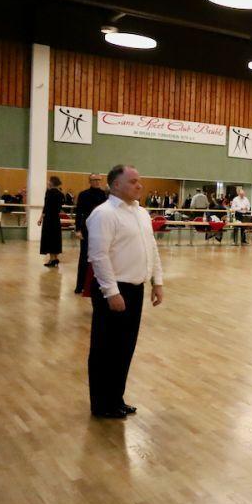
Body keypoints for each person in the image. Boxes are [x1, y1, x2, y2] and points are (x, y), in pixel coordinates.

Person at [86, 164, 164, 419]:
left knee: (124, 348)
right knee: (104, 349)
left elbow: (151, 247)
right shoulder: (104, 214)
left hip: (135, 289)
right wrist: (111, 292)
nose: (139, 185)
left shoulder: (141, 213)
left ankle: (116, 398)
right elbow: (98, 255)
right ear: (115, 184)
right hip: (114, 290)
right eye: (133, 181)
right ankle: (101, 404)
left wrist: (157, 281)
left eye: (139, 180)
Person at [73, 173, 108, 294]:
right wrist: (77, 230)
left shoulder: (105, 195)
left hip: (102, 230)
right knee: (84, 258)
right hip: (87, 229)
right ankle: (80, 285)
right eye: (94, 180)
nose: (97, 182)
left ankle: (98, 286)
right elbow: (79, 213)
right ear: (90, 181)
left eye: (99, 179)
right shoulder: (83, 195)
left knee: (101, 258)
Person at [38, 176, 65, 267]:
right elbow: (61, 206)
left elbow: (46, 207)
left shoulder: (49, 192)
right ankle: (55, 258)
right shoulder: (61, 194)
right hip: (56, 219)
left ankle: (52, 259)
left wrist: (41, 218)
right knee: (56, 238)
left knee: (49, 238)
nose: (47, 182)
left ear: (51, 183)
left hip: (49, 219)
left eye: (48, 181)